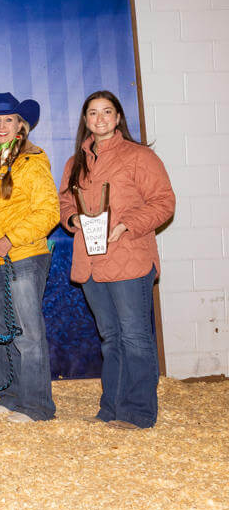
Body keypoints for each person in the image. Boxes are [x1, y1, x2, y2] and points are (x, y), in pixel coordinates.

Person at [59, 91, 175, 430]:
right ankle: (111, 407)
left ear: (118, 117)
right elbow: (65, 203)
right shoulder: (74, 163)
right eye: (93, 113)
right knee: (111, 336)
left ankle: (138, 412)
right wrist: (73, 220)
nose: (100, 118)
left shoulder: (140, 157)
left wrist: (127, 224)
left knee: (134, 335)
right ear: (85, 121)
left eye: (107, 111)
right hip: (91, 261)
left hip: (128, 256)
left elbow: (164, 202)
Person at [0, 92, 58, 423]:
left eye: (8, 120)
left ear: (21, 125)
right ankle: (13, 396)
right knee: (2, 330)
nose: (1, 126)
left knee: (27, 333)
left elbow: (49, 211)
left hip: (24, 257)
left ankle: (37, 406)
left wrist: (10, 239)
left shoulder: (32, 162)